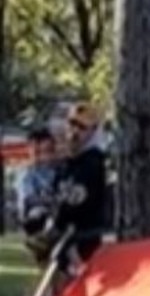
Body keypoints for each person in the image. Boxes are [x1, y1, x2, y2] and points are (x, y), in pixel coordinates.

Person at [47, 102, 110, 274]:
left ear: (93, 131)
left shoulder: (93, 163)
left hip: (83, 245)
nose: (75, 131)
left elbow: (76, 203)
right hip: (61, 245)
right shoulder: (66, 163)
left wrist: (57, 221)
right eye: (72, 123)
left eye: (82, 127)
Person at [16, 127, 60, 260]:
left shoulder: (59, 170)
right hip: (36, 222)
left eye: (47, 151)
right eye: (36, 151)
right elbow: (28, 200)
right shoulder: (27, 174)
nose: (42, 156)